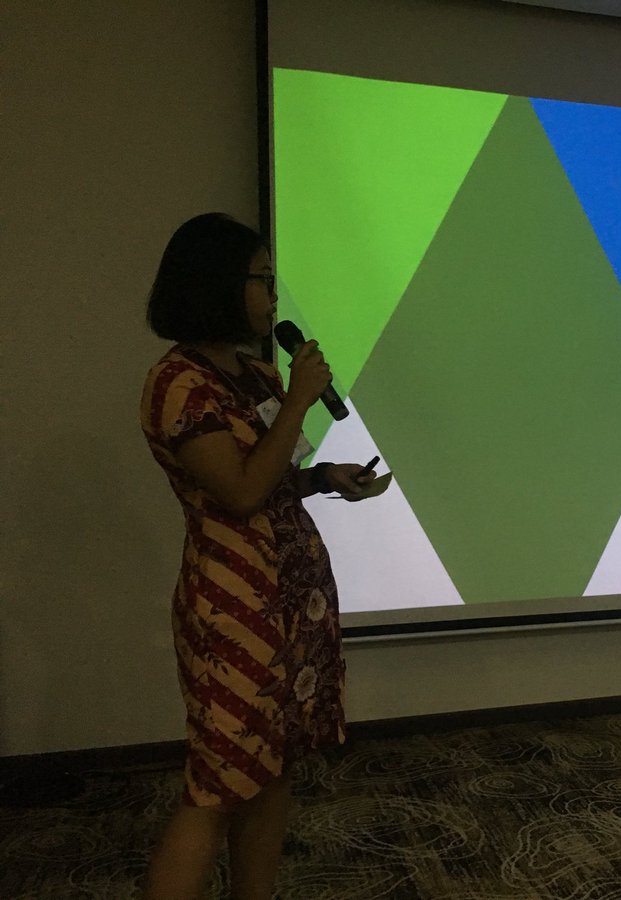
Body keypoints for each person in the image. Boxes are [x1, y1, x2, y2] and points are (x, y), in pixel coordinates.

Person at [139, 213, 373, 899]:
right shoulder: (178, 384)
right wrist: (299, 400)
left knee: (273, 770)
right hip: (235, 607)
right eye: (263, 280)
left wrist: (322, 478)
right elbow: (239, 494)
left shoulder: (256, 375)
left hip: (293, 600)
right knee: (217, 785)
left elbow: (272, 478)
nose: (274, 296)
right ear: (216, 282)